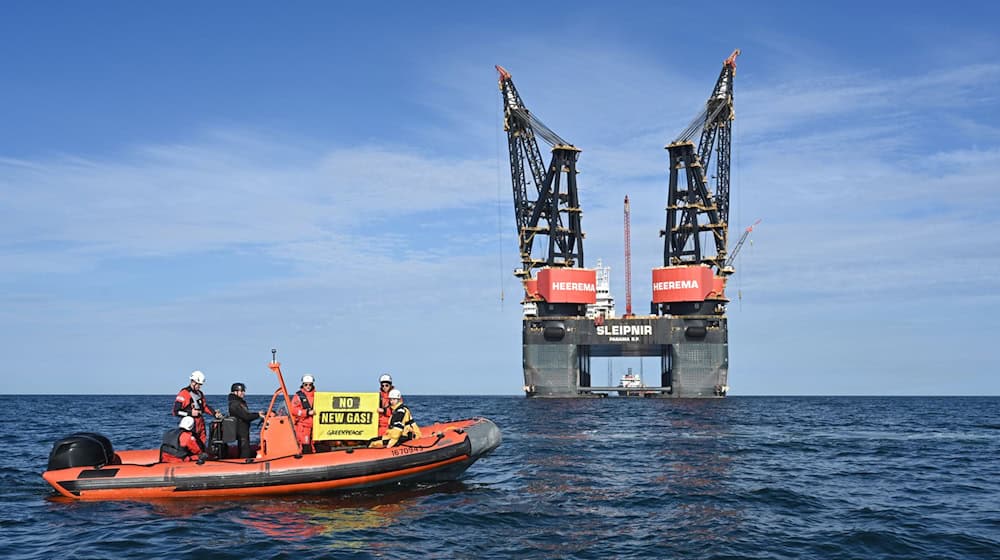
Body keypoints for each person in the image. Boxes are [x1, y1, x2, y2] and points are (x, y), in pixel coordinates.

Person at [173, 370, 223, 444]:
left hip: (200, 423)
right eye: (198, 384)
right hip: (190, 424)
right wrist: (190, 413)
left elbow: (204, 407)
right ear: (193, 382)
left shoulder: (200, 394)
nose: (199, 386)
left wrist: (214, 413)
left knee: (202, 442)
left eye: (200, 385)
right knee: (193, 444)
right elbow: (176, 412)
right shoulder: (184, 394)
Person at [228, 382, 265, 459]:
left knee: (244, 448)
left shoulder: (239, 402)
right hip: (241, 432)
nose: (243, 393)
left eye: (243, 391)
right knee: (245, 450)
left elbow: (246, 415)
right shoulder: (235, 404)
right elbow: (246, 416)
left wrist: (257, 414)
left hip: (244, 430)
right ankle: (244, 463)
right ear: (235, 392)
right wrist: (257, 415)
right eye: (241, 391)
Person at [290, 374, 316, 453]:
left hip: (315, 426)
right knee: (306, 446)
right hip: (303, 426)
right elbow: (294, 410)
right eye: (306, 384)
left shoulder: (317, 395)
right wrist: (307, 412)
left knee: (316, 445)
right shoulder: (299, 396)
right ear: (303, 384)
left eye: (310, 384)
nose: (308, 386)